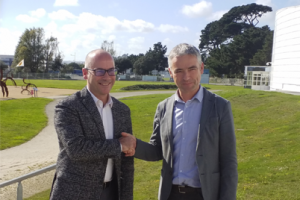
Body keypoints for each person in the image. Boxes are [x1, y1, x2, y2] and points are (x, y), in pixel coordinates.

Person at [120, 43, 238, 200]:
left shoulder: (220, 106)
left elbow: (229, 161)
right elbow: (157, 151)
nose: (186, 76)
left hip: (205, 194)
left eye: (191, 69)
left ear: (201, 68)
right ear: (170, 72)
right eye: (179, 71)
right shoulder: (163, 108)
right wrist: (133, 144)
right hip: (171, 194)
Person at [50, 49, 134, 200]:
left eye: (111, 71)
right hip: (74, 194)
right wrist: (120, 145)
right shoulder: (68, 107)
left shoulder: (122, 110)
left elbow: (126, 163)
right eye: (100, 71)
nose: (107, 77)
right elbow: (76, 149)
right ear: (85, 73)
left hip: (111, 193)